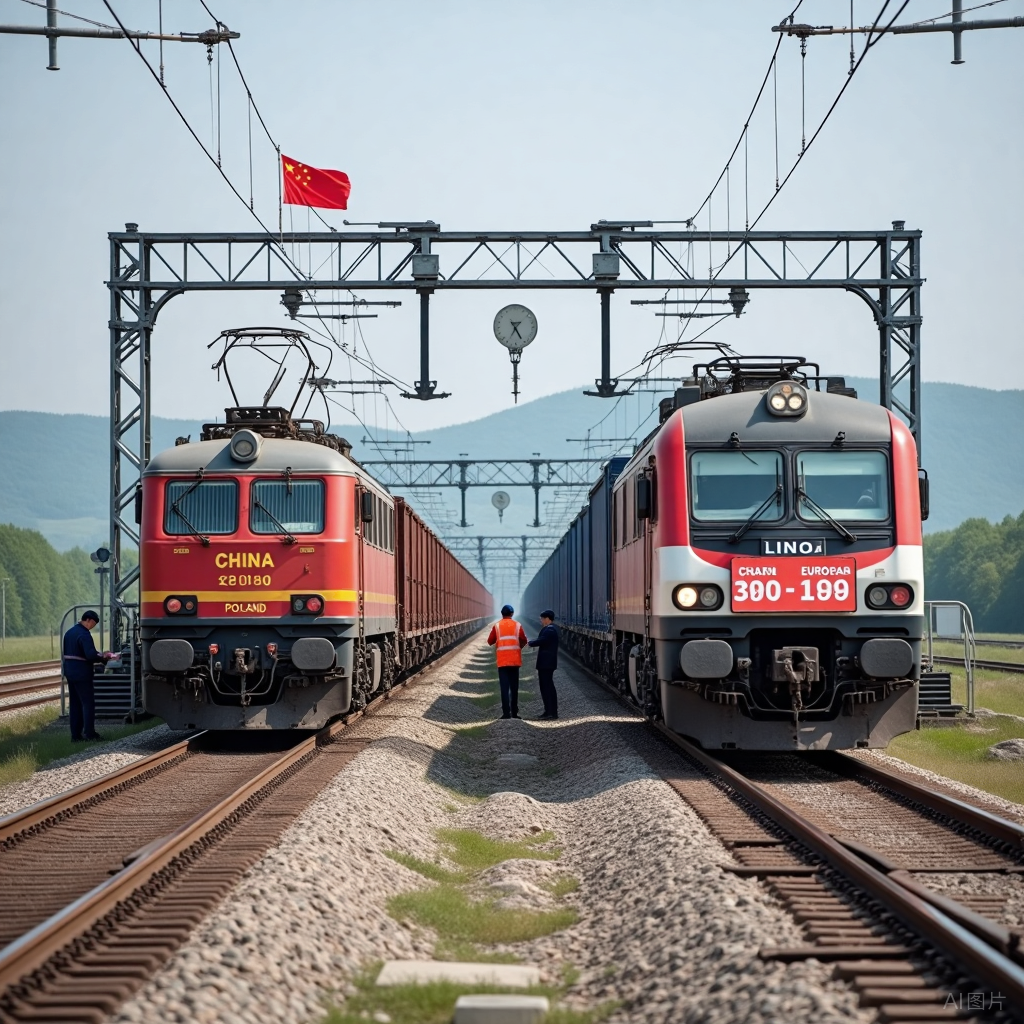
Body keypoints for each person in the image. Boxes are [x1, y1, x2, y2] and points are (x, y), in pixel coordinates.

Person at [62, 611, 110, 742]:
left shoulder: (69, 632)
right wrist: (104, 657)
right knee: (88, 703)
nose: (92, 627)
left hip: (70, 672)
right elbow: (90, 655)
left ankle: (75, 736)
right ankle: (90, 733)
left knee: (75, 704)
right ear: (88, 620)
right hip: (82, 673)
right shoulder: (84, 634)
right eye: (93, 624)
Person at [487, 604, 527, 720]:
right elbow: (524, 640)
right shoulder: (517, 625)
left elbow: (490, 641)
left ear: (502, 614)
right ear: (512, 614)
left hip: (502, 661)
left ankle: (506, 713)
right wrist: (518, 647)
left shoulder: (497, 626)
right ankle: (514, 713)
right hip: (515, 661)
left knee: (504, 688)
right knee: (514, 688)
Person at [527, 610, 560, 720]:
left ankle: (550, 712)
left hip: (546, 663)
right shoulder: (553, 629)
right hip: (547, 663)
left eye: (542, 619)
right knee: (547, 686)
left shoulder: (550, 630)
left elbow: (543, 640)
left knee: (546, 687)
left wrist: (530, 643)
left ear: (547, 619)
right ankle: (550, 711)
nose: (541, 621)